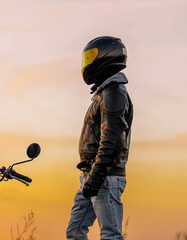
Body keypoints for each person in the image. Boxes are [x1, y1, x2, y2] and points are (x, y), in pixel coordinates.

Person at [66, 36, 133, 240]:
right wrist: (91, 178)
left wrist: (96, 178)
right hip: (92, 175)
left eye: (90, 57)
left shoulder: (114, 93)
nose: (87, 63)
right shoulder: (105, 92)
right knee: (75, 231)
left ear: (104, 56)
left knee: (110, 236)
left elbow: (111, 141)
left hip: (105, 176)